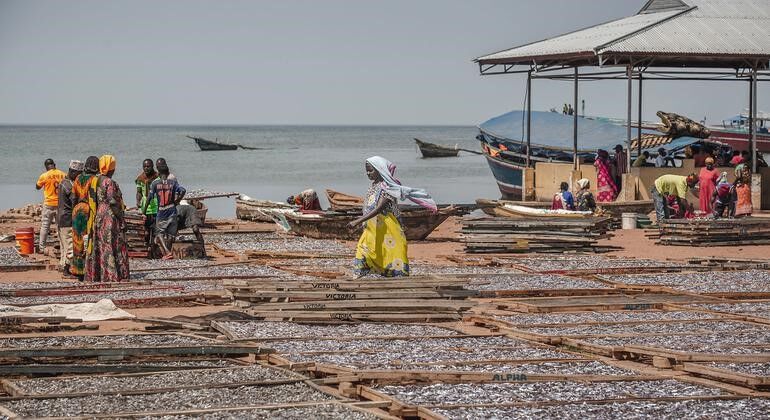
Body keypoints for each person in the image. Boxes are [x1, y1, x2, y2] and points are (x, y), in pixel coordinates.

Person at [348, 156, 436, 278]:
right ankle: (362, 273)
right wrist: (364, 223)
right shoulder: (374, 186)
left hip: (388, 226)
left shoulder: (388, 187)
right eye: (366, 170)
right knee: (365, 248)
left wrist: (358, 221)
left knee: (391, 251)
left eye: (370, 170)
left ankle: (395, 275)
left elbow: (379, 208)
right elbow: (368, 206)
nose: (368, 173)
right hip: (372, 226)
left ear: (380, 170)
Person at [84, 155, 130, 282]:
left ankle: (99, 274)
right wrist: (121, 219)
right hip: (110, 216)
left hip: (99, 214)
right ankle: (112, 275)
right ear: (111, 168)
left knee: (100, 245)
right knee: (112, 244)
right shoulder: (109, 182)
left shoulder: (95, 180)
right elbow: (113, 201)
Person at [144, 161, 186, 259]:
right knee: (171, 234)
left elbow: (149, 198)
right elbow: (183, 190)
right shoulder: (173, 183)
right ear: (167, 173)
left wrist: (144, 212)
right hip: (172, 209)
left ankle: (167, 252)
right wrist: (177, 200)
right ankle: (169, 252)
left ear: (158, 173)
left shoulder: (155, 183)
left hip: (162, 211)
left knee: (159, 233)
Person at [70, 156, 99, 280]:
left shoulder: (78, 178)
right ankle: (88, 269)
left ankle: (77, 270)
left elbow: (73, 197)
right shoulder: (94, 179)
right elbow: (95, 198)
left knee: (77, 239)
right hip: (88, 210)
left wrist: (74, 209)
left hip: (77, 209)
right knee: (89, 239)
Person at [56, 160, 82, 276]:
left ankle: (64, 266)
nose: (79, 176)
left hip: (61, 218)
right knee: (70, 245)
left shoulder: (64, 183)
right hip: (67, 219)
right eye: (78, 174)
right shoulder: (68, 185)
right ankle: (67, 269)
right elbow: (73, 202)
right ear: (72, 172)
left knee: (64, 246)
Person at [35, 158, 66, 253]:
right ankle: (63, 247)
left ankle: (42, 247)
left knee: (45, 225)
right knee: (60, 226)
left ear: (46, 167)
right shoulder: (63, 174)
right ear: (54, 164)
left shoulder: (44, 176)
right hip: (60, 204)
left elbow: (37, 187)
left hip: (48, 204)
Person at [135, 158, 159, 246]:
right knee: (146, 230)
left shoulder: (157, 177)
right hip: (145, 207)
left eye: (148, 166)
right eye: (144, 166)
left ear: (152, 167)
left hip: (156, 207)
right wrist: (138, 201)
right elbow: (139, 192)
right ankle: (147, 246)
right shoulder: (140, 178)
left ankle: (155, 248)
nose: (146, 168)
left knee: (156, 230)